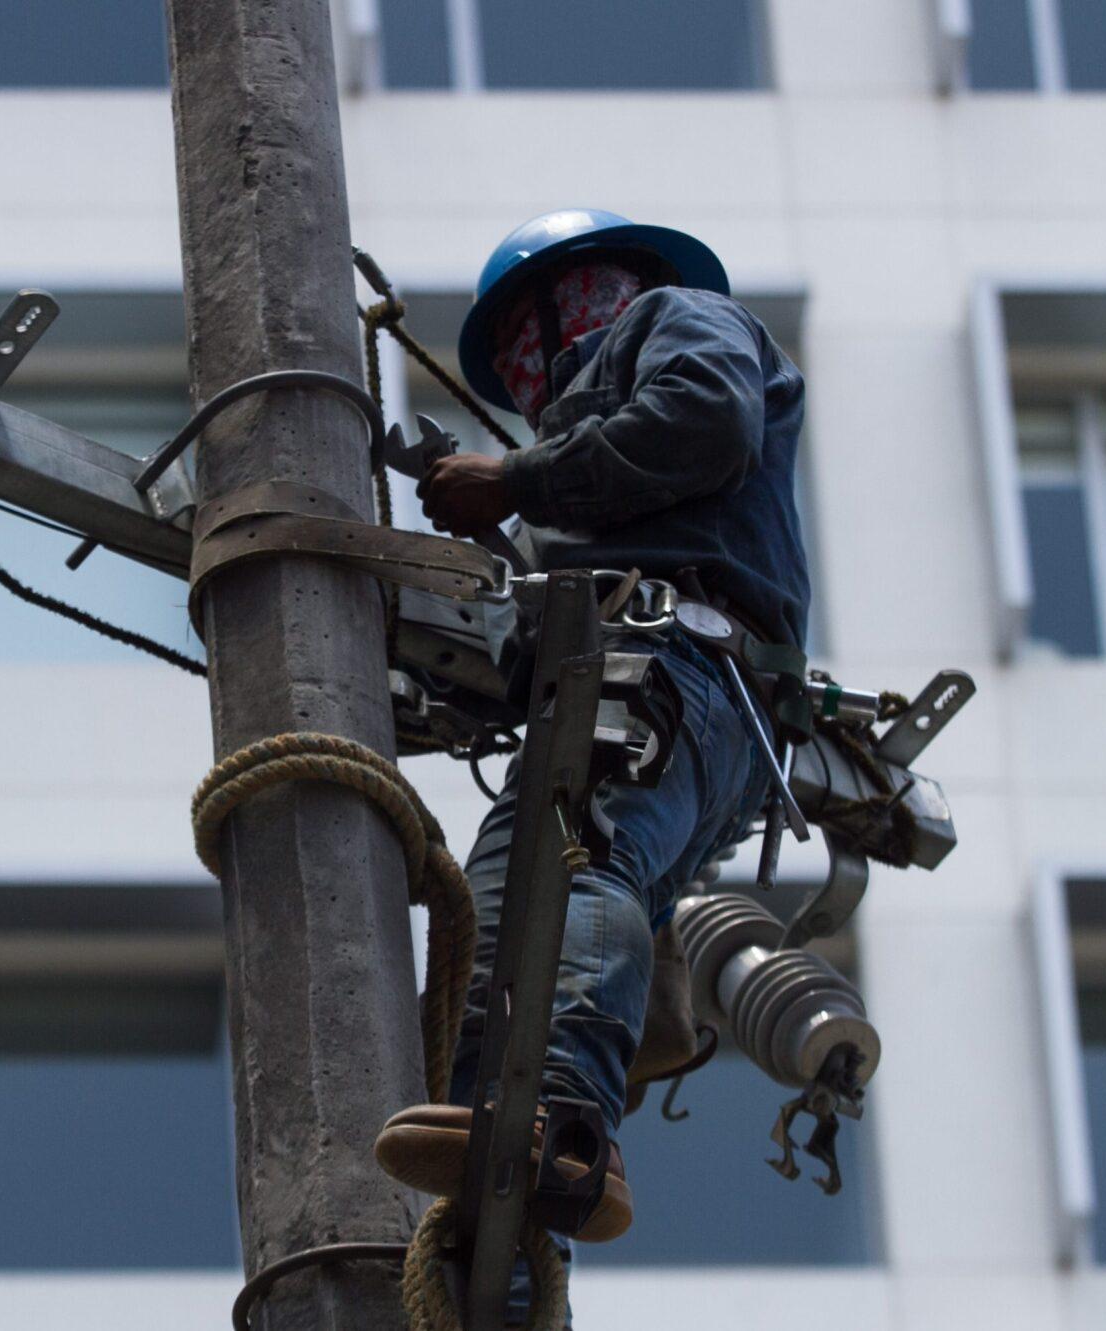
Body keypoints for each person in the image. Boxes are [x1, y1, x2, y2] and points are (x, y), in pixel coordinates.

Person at [373, 209, 811, 1245]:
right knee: (506, 890)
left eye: (532, 335)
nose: (529, 370)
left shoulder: (682, 316)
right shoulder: (584, 491)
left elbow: (705, 418)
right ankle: (503, 1145)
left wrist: (513, 479)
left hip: (677, 662)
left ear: (578, 299)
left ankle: (556, 1115)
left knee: (570, 860)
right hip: (671, 690)